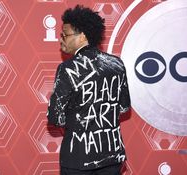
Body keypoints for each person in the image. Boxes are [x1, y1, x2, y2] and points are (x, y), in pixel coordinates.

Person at [47, 5, 130, 175]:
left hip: (78, 157)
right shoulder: (116, 64)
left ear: (82, 36)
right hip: (112, 155)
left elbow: (56, 117)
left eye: (65, 34)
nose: (61, 39)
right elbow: (124, 107)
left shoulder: (68, 68)